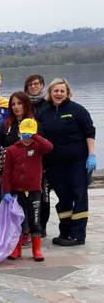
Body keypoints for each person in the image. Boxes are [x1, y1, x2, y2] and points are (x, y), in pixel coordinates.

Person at [37, 78, 96, 246]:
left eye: (62, 91)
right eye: (55, 91)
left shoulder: (77, 110)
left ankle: (78, 235)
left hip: (77, 162)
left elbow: (89, 132)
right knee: (63, 197)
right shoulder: (44, 112)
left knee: (78, 195)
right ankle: (66, 232)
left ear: (67, 92)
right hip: (55, 164)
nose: (58, 94)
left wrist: (92, 154)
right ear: (50, 92)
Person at [2, 118, 53, 261]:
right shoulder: (12, 149)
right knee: (17, 221)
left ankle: (36, 250)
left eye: (29, 133)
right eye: (24, 133)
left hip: (34, 190)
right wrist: (6, 191)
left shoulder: (38, 147)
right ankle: (16, 250)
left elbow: (49, 147)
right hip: (16, 191)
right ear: (19, 132)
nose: (27, 136)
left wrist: (35, 136)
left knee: (34, 221)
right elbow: (6, 172)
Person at [0, 92, 36, 210]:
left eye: (19, 103)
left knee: (28, 209)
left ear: (26, 104)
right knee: (10, 209)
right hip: (9, 172)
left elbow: (43, 148)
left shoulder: (35, 124)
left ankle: (29, 228)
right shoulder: (6, 125)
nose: (16, 107)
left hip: (29, 173)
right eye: (13, 104)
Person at [23, 74, 50, 234]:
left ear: (42, 85)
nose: (33, 86)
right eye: (30, 84)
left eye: (36, 83)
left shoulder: (48, 104)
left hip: (44, 155)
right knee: (27, 197)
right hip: (26, 157)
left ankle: (42, 227)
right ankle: (27, 227)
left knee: (43, 196)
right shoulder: (23, 105)